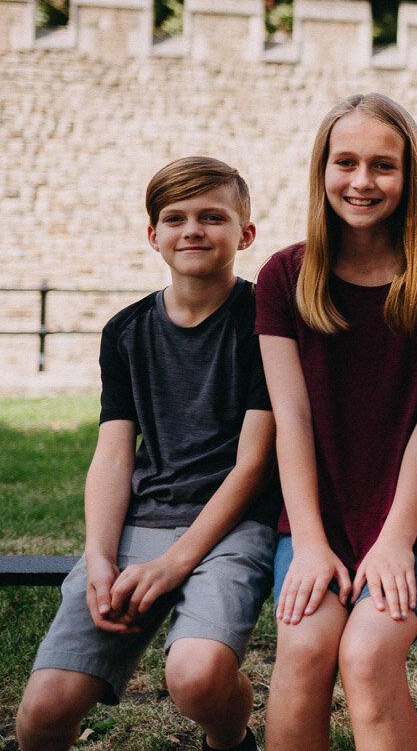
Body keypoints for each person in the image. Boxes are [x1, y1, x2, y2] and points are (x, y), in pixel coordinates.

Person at [16, 156, 275, 751]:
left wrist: (176, 564)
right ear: (152, 235)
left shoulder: (265, 321)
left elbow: (254, 463)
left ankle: (232, 739)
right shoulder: (126, 331)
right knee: (42, 714)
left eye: (213, 216)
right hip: (143, 519)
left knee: (197, 680)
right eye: (174, 218)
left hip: (233, 524)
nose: (193, 230)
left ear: (246, 233)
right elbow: (113, 457)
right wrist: (100, 557)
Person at [256, 93, 417, 751]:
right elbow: (293, 417)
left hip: (412, 520)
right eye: (346, 162)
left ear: (409, 177)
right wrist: (309, 539)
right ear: (322, 170)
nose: (362, 181)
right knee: (305, 648)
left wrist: (397, 538)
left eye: (382, 166)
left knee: (367, 654)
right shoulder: (285, 276)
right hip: (316, 514)